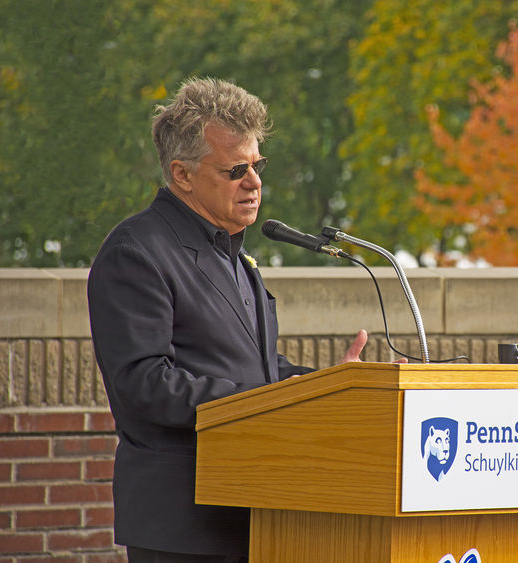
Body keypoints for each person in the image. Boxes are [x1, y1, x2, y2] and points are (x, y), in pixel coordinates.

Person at [87, 77, 369, 562]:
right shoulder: (137, 251)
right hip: (183, 524)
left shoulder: (234, 256)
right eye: (236, 169)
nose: (254, 182)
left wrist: (323, 389)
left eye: (257, 166)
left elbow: (257, 369)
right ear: (182, 174)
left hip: (253, 510)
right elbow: (144, 383)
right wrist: (262, 403)